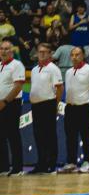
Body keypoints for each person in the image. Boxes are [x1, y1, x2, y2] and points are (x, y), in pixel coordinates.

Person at [60, 45, 89, 173]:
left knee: (85, 135)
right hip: (70, 107)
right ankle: (71, 162)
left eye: (77, 54)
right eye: (72, 55)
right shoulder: (68, 72)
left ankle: (87, 161)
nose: (74, 57)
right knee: (70, 136)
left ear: (83, 56)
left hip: (84, 107)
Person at [29, 42, 62, 173]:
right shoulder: (34, 69)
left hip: (48, 104)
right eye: (40, 52)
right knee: (38, 135)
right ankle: (41, 163)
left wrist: (55, 104)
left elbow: (59, 88)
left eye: (45, 52)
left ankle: (51, 164)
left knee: (50, 135)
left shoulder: (53, 69)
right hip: (36, 106)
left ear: (50, 54)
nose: (42, 54)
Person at [0, 38, 25, 174]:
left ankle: (17, 167)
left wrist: (5, 102)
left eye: (6, 49)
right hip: (0, 104)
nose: (3, 51)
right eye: (1, 49)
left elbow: (18, 87)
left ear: (12, 51)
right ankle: (3, 167)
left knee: (13, 135)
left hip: (11, 104)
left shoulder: (17, 65)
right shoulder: (0, 65)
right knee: (0, 136)